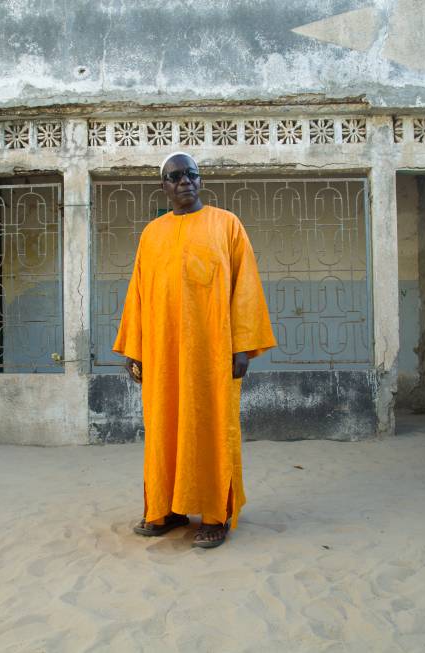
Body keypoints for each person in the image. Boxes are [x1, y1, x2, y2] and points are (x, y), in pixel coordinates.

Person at [113, 152, 276, 549]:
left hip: (212, 354)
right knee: (164, 429)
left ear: (200, 181)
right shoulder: (151, 234)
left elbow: (246, 287)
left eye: (191, 175)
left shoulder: (227, 225)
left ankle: (216, 515)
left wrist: (242, 347)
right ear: (164, 186)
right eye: (174, 177)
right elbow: (138, 293)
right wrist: (135, 351)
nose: (184, 181)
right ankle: (168, 510)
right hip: (164, 354)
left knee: (212, 428)